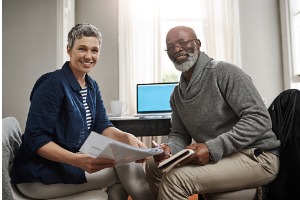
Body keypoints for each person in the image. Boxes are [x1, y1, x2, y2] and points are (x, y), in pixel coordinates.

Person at [11, 23, 154, 200]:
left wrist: (127, 138)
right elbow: (36, 139)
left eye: (94, 50)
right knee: (125, 168)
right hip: (38, 175)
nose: (89, 56)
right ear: (69, 49)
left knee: (123, 170)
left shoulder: (92, 86)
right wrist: (77, 160)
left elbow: (102, 124)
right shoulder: (52, 84)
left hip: (68, 165)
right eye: (82, 49)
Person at [145, 25, 280, 200]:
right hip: (224, 156)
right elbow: (180, 134)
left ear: (198, 43)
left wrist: (212, 147)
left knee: (175, 179)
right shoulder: (177, 94)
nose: (176, 49)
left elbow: (260, 119)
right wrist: (169, 150)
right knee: (152, 166)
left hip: (257, 156)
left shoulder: (225, 72)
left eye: (182, 42)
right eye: (170, 47)